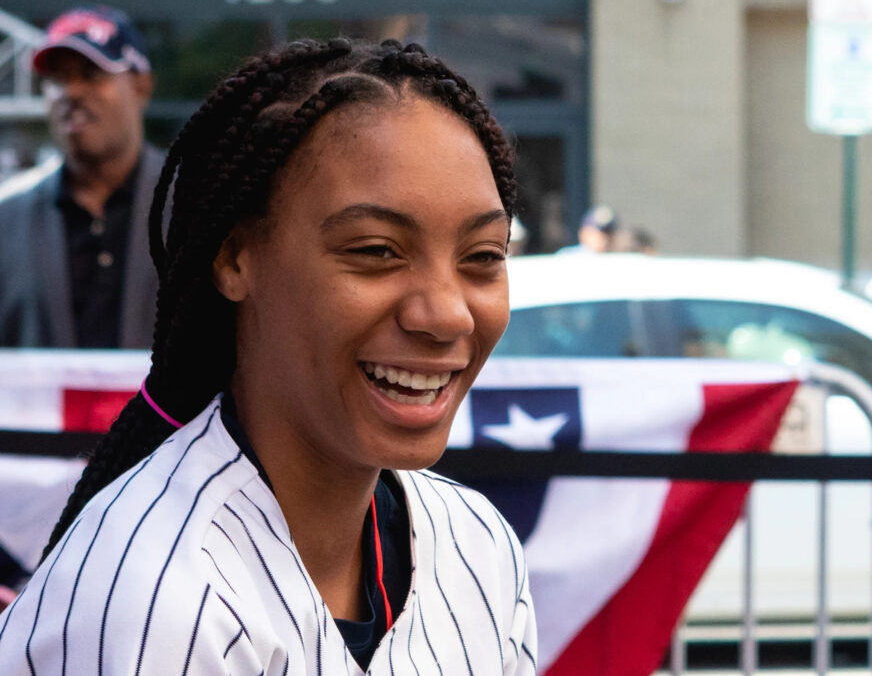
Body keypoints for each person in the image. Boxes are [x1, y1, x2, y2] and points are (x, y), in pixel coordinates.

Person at [0, 38, 537, 674]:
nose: (447, 313)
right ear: (233, 257)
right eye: (375, 250)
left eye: (483, 257)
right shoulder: (159, 596)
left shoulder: (479, 546)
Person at [0, 5, 162, 348]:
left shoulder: (198, 204)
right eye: (57, 79)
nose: (70, 92)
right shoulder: (8, 217)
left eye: (92, 74)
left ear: (141, 86)